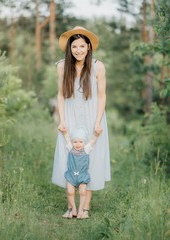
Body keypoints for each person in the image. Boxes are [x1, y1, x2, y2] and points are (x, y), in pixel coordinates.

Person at [52, 26, 111, 219]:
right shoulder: (62, 66)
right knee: (68, 155)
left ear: (88, 47)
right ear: (69, 48)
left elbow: (102, 97)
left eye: (82, 46)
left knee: (91, 157)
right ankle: (71, 207)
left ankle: (85, 207)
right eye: (74, 46)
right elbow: (60, 95)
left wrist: (98, 121)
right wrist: (62, 120)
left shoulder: (98, 66)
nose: (78, 50)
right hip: (69, 113)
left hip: (92, 114)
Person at [60, 127, 102, 219]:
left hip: (82, 176)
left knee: (82, 192)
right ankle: (73, 209)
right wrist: (64, 132)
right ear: (72, 142)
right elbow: (67, 138)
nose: (78, 144)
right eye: (75, 142)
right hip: (71, 175)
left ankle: (81, 210)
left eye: (80, 142)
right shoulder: (71, 148)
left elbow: (93, 140)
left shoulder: (86, 149)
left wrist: (96, 134)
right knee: (70, 192)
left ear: (84, 142)